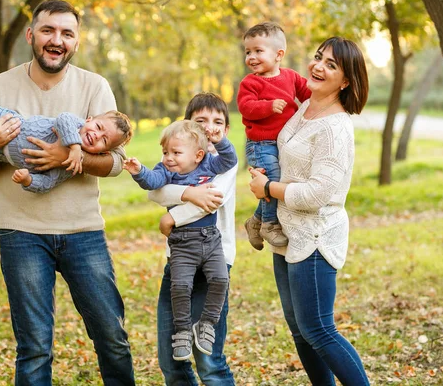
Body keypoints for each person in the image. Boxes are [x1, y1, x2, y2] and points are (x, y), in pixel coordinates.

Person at [0, 0, 135, 385]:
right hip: (21, 233)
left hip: (83, 232)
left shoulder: (94, 86)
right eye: (48, 31)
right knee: (35, 347)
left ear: (75, 42)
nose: (56, 40)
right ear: (31, 35)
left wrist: (63, 156)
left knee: (112, 338)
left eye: (66, 33)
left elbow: (116, 162)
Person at [249, 36, 370, 385]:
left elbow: (320, 192)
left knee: (319, 329)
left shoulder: (335, 127)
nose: (318, 66)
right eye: (319, 58)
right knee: (301, 331)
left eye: (331, 65)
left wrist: (269, 188)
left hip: (315, 237)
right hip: (287, 233)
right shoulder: (304, 107)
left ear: (345, 81)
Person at [123, 119, 237, 362]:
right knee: (180, 287)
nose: (168, 157)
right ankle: (183, 330)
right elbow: (152, 183)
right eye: (165, 152)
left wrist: (220, 141)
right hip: (182, 243)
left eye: (175, 152)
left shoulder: (208, 164)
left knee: (220, 279)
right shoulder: (165, 171)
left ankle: (206, 323)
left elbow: (229, 160)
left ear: (197, 155)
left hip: (211, 240)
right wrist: (139, 171)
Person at [148, 93, 237, 385]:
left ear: (226, 130)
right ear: (188, 129)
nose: (210, 128)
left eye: (218, 122)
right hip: (180, 261)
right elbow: (155, 192)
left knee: (209, 362)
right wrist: (188, 193)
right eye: (201, 122)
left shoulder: (223, 163)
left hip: (215, 260)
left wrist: (173, 216)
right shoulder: (175, 159)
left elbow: (213, 199)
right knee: (171, 357)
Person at [0, 84, 132, 193]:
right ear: (89, 119)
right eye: (98, 127)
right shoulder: (75, 125)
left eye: (104, 140)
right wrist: (74, 147)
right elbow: (63, 119)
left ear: (104, 152)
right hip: (6, 121)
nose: (96, 135)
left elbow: (48, 183)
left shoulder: (70, 168)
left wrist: (28, 180)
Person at [238, 22, 311, 251]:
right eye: (248, 52)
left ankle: (255, 221)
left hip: (285, 143)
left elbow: (309, 94)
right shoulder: (250, 82)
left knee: (281, 181)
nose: (251, 57)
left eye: (258, 51)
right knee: (273, 183)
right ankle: (269, 224)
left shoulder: (290, 77)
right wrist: (269, 106)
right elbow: (246, 107)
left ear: (279, 54)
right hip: (262, 145)